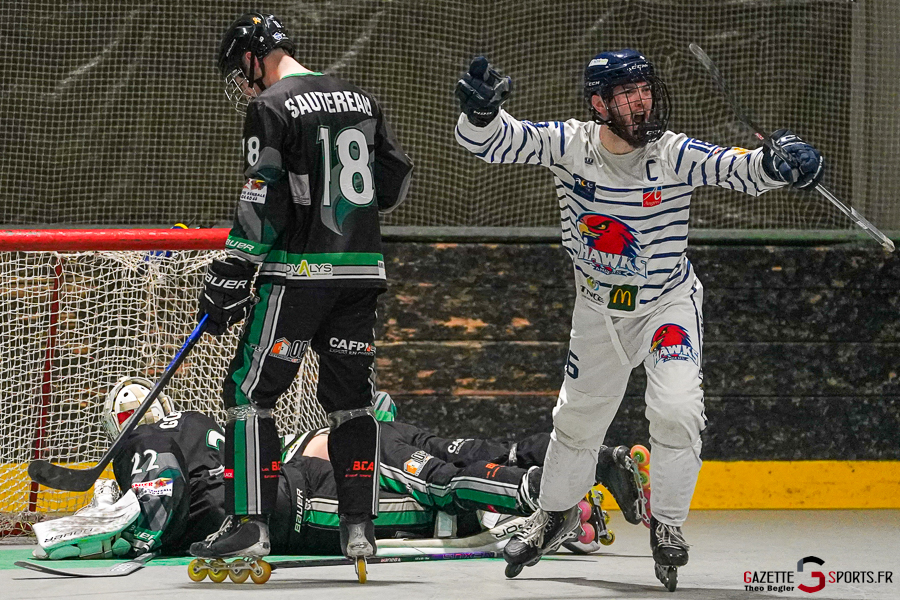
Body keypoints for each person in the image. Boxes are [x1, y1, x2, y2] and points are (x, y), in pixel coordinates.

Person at [454, 50, 824, 581]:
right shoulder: (570, 145)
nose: (641, 101)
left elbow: (740, 169)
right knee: (576, 422)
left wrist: (781, 162)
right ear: (599, 103)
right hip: (598, 312)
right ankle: (555, 515)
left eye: (645, 89)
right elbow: (488, 144)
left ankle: (668, 524)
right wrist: (481, 114)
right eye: (626, 92)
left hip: (665, 305)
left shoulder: (674, 154)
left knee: (676, 407)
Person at [195, 12, 413, 564]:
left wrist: (232, 272)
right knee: (351, 401)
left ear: (252, 57)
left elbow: (259, 194)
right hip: (362, 274)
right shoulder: (360, 99)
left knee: (249, 394)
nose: (241, 83)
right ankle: (359, 529)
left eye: (239, 69)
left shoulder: (269, 107)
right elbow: (394, 179)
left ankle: (250, 526)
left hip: (300, 277)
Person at [31, 380, 645, 560]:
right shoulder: (210, 431)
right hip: (343, 469)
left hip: (348, 467)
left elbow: (159, 498)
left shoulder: (175, 436)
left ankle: (549, 497)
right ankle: (578, 476)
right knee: (476, 459)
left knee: (446, 481)